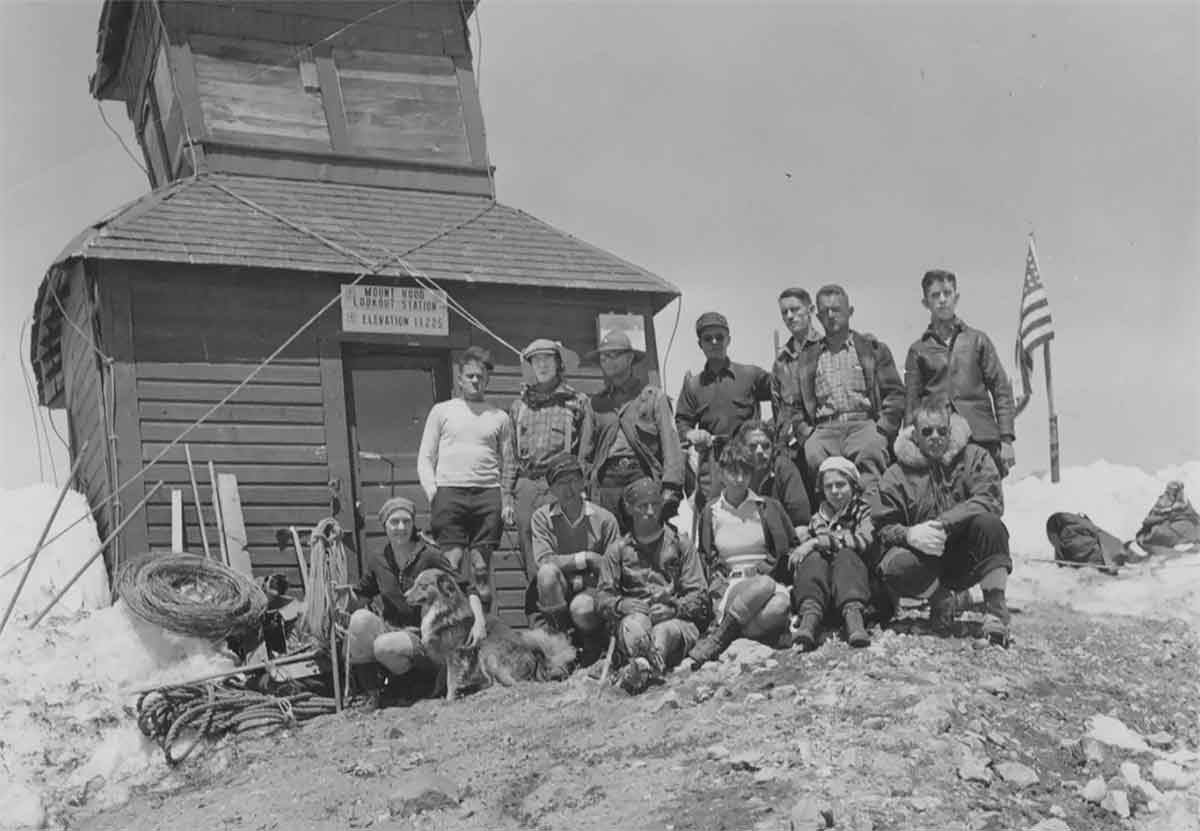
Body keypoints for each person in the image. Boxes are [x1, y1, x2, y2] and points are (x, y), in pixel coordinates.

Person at [870, 396, 1013, 646]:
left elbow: (990, 499)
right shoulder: (896, 474)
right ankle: (940, 598)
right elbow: (883, 525)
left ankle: (996, 612)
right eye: (927, 431)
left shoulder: (975, 457)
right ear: (915, 435)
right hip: (925, 560)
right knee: (893, 565)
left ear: (950, 430)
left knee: (991, 526)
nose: (935, 437)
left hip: (964, 555)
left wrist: (944, 523)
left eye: (942, 430)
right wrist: (909, 534)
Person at [345, 497, 477, 704]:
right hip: (391, 627)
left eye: (406, 521)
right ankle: (372, 693)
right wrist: (340, 601)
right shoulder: (378, 558)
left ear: (413, 523)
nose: (401, 527)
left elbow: (464, 585)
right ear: (385, 525)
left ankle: (415, 685)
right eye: (394, 522)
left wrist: (479, 621)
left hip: (424, 635)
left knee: (384, 646)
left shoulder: (429, 555)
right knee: (359, 620)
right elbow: (362, 593)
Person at [417, 346, 515, 613]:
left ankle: (484, 625)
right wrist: (433, 492)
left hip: (487, 494)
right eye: (469, 376)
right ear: (460, 379)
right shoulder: (442, 411)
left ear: (487, 380)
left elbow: (509, 461)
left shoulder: (499, 417)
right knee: (452, 564)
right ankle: (450, 622)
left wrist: (506, 497)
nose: (475, 380)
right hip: (450, 493)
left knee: (481, 567)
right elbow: (426, 455)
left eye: (480, 376)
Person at [781, 284, 904, 492]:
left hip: (864, 427)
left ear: (850, 311)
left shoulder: (872, 349)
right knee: (828, 485)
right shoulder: (807, 357)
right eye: (825, 311)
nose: (831, 315)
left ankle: (870, 511)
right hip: (824, 431)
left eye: (836, 309)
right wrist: (807, 436)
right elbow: (795, 405)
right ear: (818, 317)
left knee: (870, 484)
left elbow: (895, 394)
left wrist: (883, 430)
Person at [595, 477, 709, 694]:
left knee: (663, 631)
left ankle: (644, 668)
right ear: (629, 508)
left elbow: (700, 595)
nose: (650, 511)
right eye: (642, 506)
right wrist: (621, 605)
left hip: (677, 622)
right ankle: (643, 667)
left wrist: (673, 609)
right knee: (635, 628)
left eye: (655, 505)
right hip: (634, 620)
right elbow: (602, 598)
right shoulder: (617, 550)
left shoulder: (681, 544)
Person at [686, 443, 794, 666]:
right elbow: (706, 556)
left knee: (779, 606)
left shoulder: (767, 507)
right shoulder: (711, 512)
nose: (739, 479)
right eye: (733, 472)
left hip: (767, 579)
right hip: (731, 585)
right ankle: (724, 636)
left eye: (745, 472)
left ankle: (729, 634)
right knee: (763, 586)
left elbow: (786, 547)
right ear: (721, 474)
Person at [903, 269, 1017, 476]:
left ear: (956, 297)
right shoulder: (918, 350)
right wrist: (910, 444)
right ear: (925, 303)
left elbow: (1001, 389)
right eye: (935, 295)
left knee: (986, 493)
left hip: (981, 438)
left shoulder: (978, 340)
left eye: (947, 293)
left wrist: (1007, 439)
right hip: (940, 441)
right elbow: (912, 403)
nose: (942, 300)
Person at [508, 338, 595, 579]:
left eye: (548, 359)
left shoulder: (577, 402)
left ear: (558, 363)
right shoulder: (519, 405)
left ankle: (565, 601)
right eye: (536, 360)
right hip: (527, 486)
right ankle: (536, 600)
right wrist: (506, 495)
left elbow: (585, 452)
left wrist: (581, 487)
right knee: (529, 548)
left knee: (565, 545)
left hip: (561, 484)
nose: (542, 365)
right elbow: (510, 454)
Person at [587, 331, 685, 528]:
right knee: (609, 541)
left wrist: (671, 487)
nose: (608, 361)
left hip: (642, 479)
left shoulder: (652, 398)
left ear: (630, 358)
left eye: (614, 355)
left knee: (646, 540)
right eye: (604, 357)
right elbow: (585, 452)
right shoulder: (595, 403)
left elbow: (671, 446)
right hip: (607, 484)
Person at [675, 312, 773, 508]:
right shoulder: (693, 386)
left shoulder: (750, 375)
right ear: (700, 344)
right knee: (713, 511)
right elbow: (682, 422)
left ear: (729, 340)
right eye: (708, 338)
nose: (714, 342)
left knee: (754, 510)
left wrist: (773, 429)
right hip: (714, 463)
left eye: (719, 337)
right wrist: (691, 434)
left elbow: (783, 393)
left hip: (750, 461)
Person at [528, 454, 619, 655]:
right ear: (551, 489)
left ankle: (592, 648)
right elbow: (544, 560)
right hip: (560, 588)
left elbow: (613, 567)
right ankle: (560, 643)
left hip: (591, 590)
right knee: (546, 574)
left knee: (581, 608)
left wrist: (586, 577)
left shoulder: (605, 519)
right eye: (561, 483)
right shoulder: (542, 518)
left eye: (573, 481)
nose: (568, 489)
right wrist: (585, 558)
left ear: (583, 482)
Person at [788, 457, 875, 650]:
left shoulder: (864, 512)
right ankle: (809, 620)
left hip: (858, 594)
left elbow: (863, 541)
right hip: (825, 599)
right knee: (813, 559)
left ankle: (855, 623)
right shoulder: (818, 518)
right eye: (829, 487)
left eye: (840, 485)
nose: (835, 491)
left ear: (853, 485)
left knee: (846, 555)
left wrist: (817, 542)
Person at [771, 287, 823, 472]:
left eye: (795, 309)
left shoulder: (826, 349)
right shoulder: (780, 362)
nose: (789, 316)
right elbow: (777, 407)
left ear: (811, 310)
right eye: (784, 312)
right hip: (790, 450)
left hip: (822, 444)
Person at [731, 419, 812, 533]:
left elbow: (801, 519)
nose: (759, 451)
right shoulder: (731, 470)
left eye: (765, 446)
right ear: (741, 448)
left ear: (773, 447)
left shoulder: (783, 468)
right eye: (752, 446)